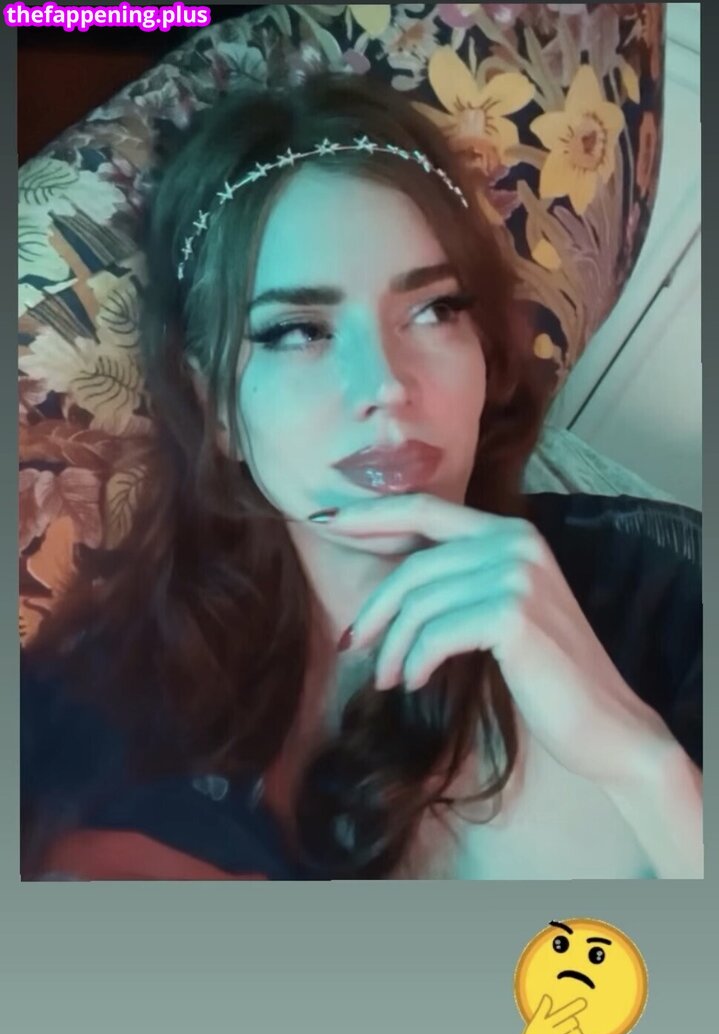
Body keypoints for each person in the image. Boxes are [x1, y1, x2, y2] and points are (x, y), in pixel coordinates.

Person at [20, 71, 703, 881]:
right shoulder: (90, 724)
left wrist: (640, 763)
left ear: (485, 351)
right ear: (215, 404)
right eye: (296, 330)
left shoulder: (664, 591)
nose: (384, 384)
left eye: (434, 310)